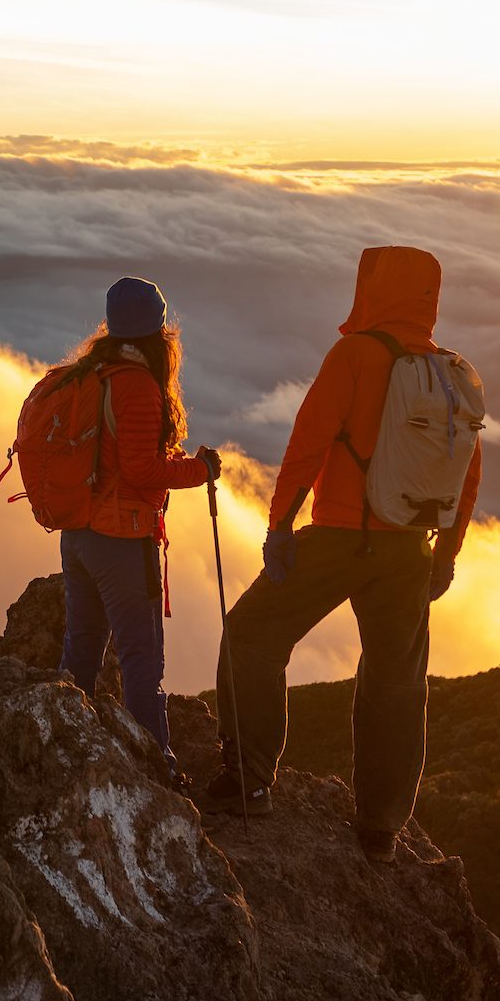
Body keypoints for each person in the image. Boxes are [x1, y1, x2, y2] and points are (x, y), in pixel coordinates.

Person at [207, 246, 482, 862]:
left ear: (375, 288)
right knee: (396, 680)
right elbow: (466, 474)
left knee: (251, 634)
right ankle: (381, 828)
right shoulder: (450, 372)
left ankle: (249, 781)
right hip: (413, 547)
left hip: (341, 536)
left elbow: (308, 443)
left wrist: (280, 526)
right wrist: (448, 554)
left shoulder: (355, 355)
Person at [56, 276, 220, 782]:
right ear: (159, 333)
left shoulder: (91, 373)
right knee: (140, 658)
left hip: (78, 534)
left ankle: (61, 748)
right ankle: (155, 765)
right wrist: (200, 470)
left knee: (81, 647)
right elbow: (141, 472)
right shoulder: (138, 386)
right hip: (122, 540)